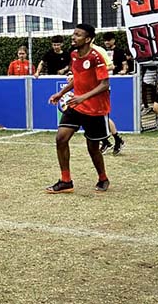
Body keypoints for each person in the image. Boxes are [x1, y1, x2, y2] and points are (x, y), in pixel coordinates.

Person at [46, 24, 112, 193]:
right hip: (76, 106)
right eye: (73, 34)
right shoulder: (74, 55)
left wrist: (83, 96)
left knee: (93, 148)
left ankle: (103, 178)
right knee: (61, 138)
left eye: (78, 35)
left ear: (88, 39)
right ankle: (66, 181)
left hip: (95, 109)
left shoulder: (96, 57)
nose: (73, 37)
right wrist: (61, 93)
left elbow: (105, 85)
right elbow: (77, 78)